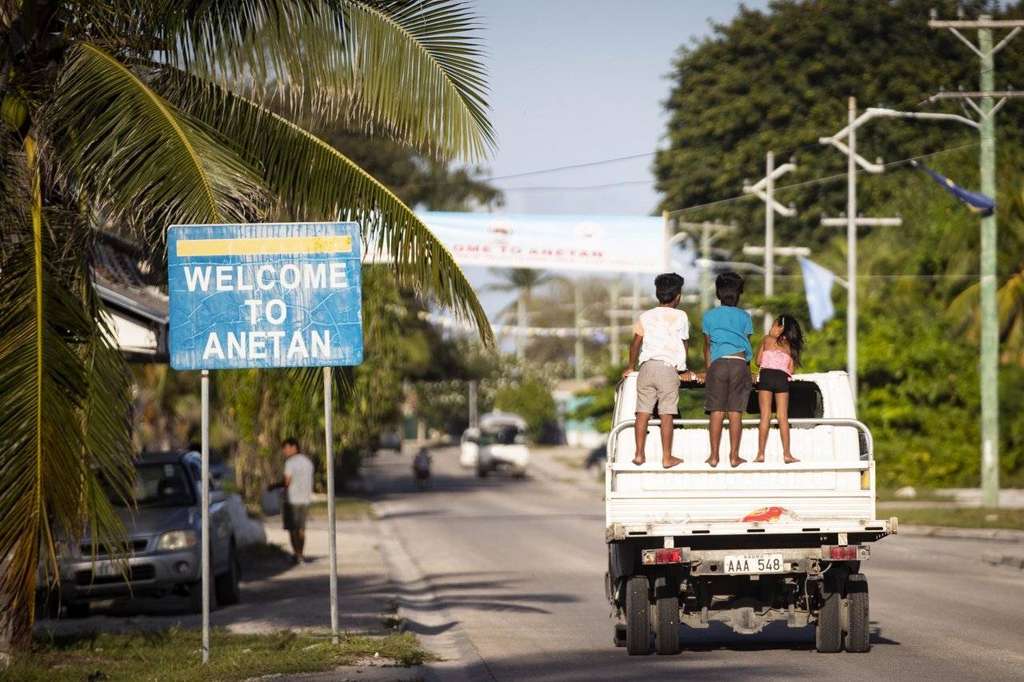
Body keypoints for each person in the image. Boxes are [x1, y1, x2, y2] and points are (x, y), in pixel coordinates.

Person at [622, 272, 701, 468]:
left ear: (658, 294)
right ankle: (667, 457)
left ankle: (639, 454)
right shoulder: (681, 316)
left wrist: (630, 367)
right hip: (667, 369)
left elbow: (635, 344)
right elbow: (684, 344)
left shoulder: (645, 316)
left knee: (642, 412)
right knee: (667, 413)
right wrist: (682, 368)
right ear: (678, 296)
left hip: (646, 367)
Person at [702, 272, 754, 468]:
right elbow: (747, 344)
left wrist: (709, 370)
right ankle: (734, 456)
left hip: (718, 364)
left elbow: (707, 346)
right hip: (739, 364)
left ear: (717, 293)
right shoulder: (745, 316)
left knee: (716, 411)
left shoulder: (709, 316)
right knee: (735, 412)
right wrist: (749, 370)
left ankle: (714, 456)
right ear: (739, 293)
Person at [755, 314, 805, 464]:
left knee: (765, 416)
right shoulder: (790, 347)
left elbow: (758, 362)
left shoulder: (766, 340)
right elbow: (791, 370)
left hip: (766, 377)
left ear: (780, 327)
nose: (771, 328)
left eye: (773, 325)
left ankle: (761, 454)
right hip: (781, 379)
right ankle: (787, 454)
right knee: (782, 417)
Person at [280, 437, 313, 564]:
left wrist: (276, 487)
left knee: (293, 529)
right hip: (305, 499)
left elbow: (287, 482)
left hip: (292, 500)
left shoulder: (290, 463)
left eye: (286, 448)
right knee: (301, 529)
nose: (285, 451)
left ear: (294, 447)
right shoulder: (307, 462)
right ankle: (301, 554)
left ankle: (296, 554)